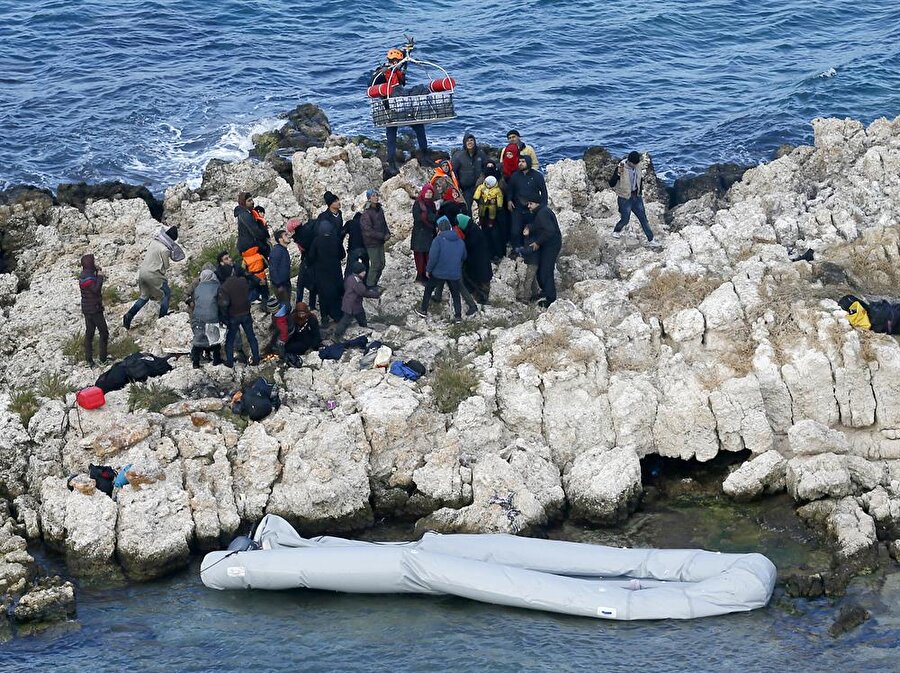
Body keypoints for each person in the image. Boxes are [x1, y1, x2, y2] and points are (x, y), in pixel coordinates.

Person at [372, 45, 428, 169]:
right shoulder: (383, 72)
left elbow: (402, 59)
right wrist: (378, 73)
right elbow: (371, 82)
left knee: (419, 127)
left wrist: (407, 50)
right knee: (391, 136)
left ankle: (425, 156)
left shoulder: (397, 70)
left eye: (398, 62)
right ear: (390, 61)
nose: (396, 63)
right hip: (390, 108)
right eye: (394, 62)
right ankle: (391, 163)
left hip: (403, 105)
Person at [123, 226, 184, 329]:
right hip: (154, 275)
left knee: (144, 297)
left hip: (142, 273)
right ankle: (162, 317)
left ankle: (129, 315)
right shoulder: (165, 250)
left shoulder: (154, 242)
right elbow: (166, 265)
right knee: (166, 294)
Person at [416, 216, 467, 322]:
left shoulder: (438, 240)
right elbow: (464, 256)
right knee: (455, 294)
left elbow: (433, 257)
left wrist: (428, 270)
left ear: (438, 228)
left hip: (439, 272)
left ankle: (423, 310)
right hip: (454, 273)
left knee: (429, 288)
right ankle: (457, 316)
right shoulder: (460, 241)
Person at [610, 151, 658, 246]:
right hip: (624, 198)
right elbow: (611, 183)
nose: (635, 166)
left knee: (643, 218)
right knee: (625, 219)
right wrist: (618, 174)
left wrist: (640, 192)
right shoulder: (621, 167)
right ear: (629, 161)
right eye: (634, 164)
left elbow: (639, 179)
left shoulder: (637, 165)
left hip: (636, 197)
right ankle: (616, 230)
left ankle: (651, 240)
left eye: (637, 164)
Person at [521, 196, 562, 308]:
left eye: (531, 203)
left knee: (546, 272)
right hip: (548, 245)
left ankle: (551, 299)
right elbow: (539, 226)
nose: (529, 206)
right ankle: (545, 291)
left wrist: (538, 242)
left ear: (537, 203)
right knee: (543, 271)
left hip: (551, 246)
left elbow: (549, 231)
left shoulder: (542, 213)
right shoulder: (541, 211)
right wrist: (530, 227)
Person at [218, 266, 260, 367]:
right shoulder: (242, 281)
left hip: (233, 315)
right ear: (232, 272)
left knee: (230, 339)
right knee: (251, 336)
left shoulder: (224, 287)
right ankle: (256, 358)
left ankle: (230, 362)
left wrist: (224, 316)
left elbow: (224, 304)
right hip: (246, 312)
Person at [307, 219, 345, 325]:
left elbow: (311, 257)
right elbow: (343, 255)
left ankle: (324, 317)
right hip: (335, 272)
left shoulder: (316, 241)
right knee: (336, 294)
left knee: (323, 295)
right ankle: (338, 316)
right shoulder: (336, 240)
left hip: (321, 273)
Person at [235, 192, 271, 302]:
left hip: (251, 248)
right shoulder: (245, 215)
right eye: (249, 201)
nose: (252, 202)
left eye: (252, 200)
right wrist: (264, 229)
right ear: (243, 203)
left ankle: (258, 297)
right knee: (257, 274)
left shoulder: (247, 213)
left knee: (255, 274)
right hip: (250, 250)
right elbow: (256, 232)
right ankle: (258, 298)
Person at [334, 261, 381, 340]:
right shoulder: (357, 282)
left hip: (348, 303)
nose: (365, 272)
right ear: (359, 272)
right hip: (353, 306)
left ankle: (364, 328)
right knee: (347, 320)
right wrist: (376, 295)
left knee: (353, 318)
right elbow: (364, 292)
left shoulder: (350, 278)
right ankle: (337, 335)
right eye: (363, 271)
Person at [507, 155, 546, 248]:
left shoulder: (537, 176)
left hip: (532, 210)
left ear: (528, 163)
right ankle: (515, 250)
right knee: (515, 231)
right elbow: (510, 190)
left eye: (523, 161)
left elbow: (544, 192)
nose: (520, 163)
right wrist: (509, 200)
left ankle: (530, 249)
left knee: (532, 230)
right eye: (519, 161)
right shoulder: (515, 176)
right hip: (518, 208)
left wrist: (543, 207)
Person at [188, 267, 223, 369]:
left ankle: (195, 362)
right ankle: (216, 360)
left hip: (198, 317)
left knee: (198, 340)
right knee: (215, 339)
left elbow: (194, 300)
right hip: (212, 316)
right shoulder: (217, 286)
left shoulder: (197, 288)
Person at [78, 254, 108, 366]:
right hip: (94, 309)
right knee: (104, 332)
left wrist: (97, 269)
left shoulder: (83, 275)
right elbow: (95, 289)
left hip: (86, 308)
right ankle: (103, 359)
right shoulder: (89, 278)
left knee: (89, 333)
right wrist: (100, 277)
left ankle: (89, 359)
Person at [456, 214, 493, 305]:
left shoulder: (473, 235)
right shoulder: (473, 230)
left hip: (478, 265)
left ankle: (481, 298)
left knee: (478, 282)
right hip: (480, 264)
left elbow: (468, 247)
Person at [360, 189, 390, 288]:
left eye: (376, 195)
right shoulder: (366, 213)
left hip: (380, 242)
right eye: (373, 196)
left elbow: (383, 223)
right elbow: (368, 231)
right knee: (375, 264)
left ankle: (375, 283)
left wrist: (387, 232)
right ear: (369, 198)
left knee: (382, 264)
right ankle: (370, 285)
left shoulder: (379, 209)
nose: (376, 197)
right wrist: (382, 236)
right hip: (371, 243)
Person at [411, 183, 438, 284]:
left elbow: (434, 216)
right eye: (427, 192)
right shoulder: (418, 203)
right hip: (420, 235)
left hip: (429, 233)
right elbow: (417, 218)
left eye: (431, 192)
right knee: (420, 257)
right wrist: (430, 217)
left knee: (428, 255)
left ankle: (427, 275)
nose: (429, 194)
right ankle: (420, 276)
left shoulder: (432, 204)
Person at [451, 133, 487, 207]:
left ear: (475, 142)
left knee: (483, 207)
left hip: (479, 187)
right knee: (467, 208)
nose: (470, 142)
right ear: (464, 143)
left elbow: (486, 167)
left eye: (471, 140)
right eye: (467, 141)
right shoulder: (458, 156)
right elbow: (453, 173)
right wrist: (457, 188)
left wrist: (482, 177)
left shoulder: (481, 154)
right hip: (465, 189)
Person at [268, 229, 292, 307]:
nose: (288, 236)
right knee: (285, 307)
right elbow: (272, 269)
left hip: (285, 283)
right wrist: (278, 285)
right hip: (281, 285)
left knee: (287, 306)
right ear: (280, 239)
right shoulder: (277, 251)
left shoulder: (283, 250)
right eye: (285, 235)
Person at [342, 210, 369, 278]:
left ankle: (347, 284)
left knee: (350, 268)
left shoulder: (351, 222)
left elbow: (342, 233)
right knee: (366, 267)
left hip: (354, 249)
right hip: (365, 249)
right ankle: (366, 284)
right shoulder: (366, 224)